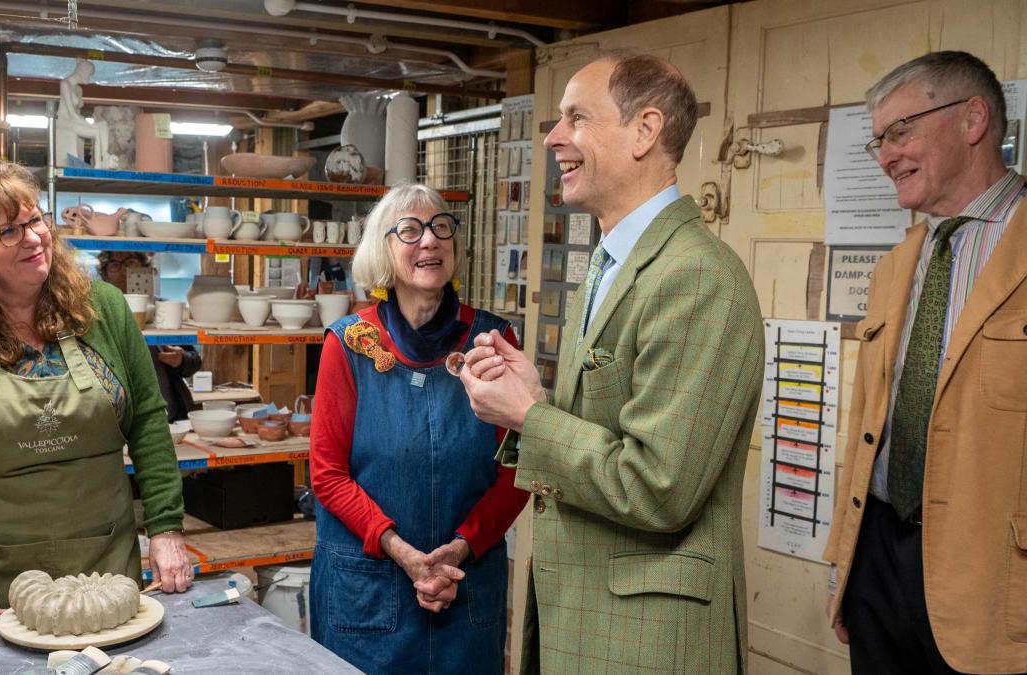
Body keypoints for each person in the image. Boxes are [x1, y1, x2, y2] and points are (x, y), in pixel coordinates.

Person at [460, 54, 764, 673]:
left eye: (576, 117)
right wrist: (530, 396)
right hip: (589, 619)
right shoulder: (612, 262)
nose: (552, 138)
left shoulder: (698, 277)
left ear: (645, 131)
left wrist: (531, 417)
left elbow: (659, 486)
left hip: (647, 642)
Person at [0, 157, 192, 627]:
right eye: (8, 232)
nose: (34, 238)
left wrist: (166, 528)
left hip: (107, 567)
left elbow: (149, 425)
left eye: (35, 219)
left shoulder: (104, 310)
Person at [823, 51, 1027, 673]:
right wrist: (843, 563)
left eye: (900, 131)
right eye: (878, 141)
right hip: (878, 561)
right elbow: (868, 428)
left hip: (994, 580)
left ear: (973, 119)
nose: (885, 155)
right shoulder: (894, 267)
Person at [309, 182, 529, 673]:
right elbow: (327, 475)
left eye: (441, 227)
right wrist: (404, 553)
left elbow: (518, 470)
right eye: (409, 230)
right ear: (384, 252)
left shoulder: (492, 342)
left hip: (464, 586)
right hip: (369, 600)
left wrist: (459, 548)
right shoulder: (348, 345)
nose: (430, 241)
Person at [96, 250, 202, 422]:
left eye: (130, 263)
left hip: (169, 417)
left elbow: (195, 361)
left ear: (145, 268)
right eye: (115, 265)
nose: (124, 271)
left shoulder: (166, 309)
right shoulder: (96, 311)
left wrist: (181, 359)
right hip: (117, 419)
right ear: (105, 274)